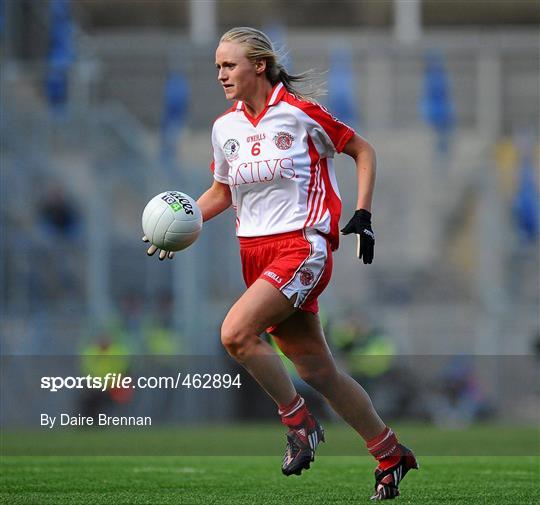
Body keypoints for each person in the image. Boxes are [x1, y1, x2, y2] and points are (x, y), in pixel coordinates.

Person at [143, 27, 418, 501]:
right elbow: (222, 193)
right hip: (254, 254)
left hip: (301, 248)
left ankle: (298, 422)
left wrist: (364, 214)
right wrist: (182, 219)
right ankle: (390, 453)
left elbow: (362, 150)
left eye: (229, 65)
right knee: (317, 371)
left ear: (259, 66)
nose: (221, 74)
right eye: (217, 67)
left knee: (235, 333)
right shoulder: (224, 128)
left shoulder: (298, 114)